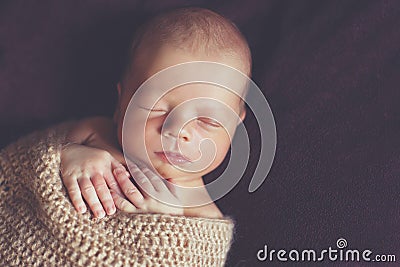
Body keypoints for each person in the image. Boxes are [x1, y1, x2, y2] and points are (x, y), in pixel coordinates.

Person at [60, 7, 252, 219]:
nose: (178, 131)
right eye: (156, 108)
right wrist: (72, 157)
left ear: (235, 125)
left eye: (208, 121)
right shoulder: (95, 133)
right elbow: (47, 155)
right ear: (121, 104)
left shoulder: (205, 216)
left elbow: (203, 250)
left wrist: (167, 222)